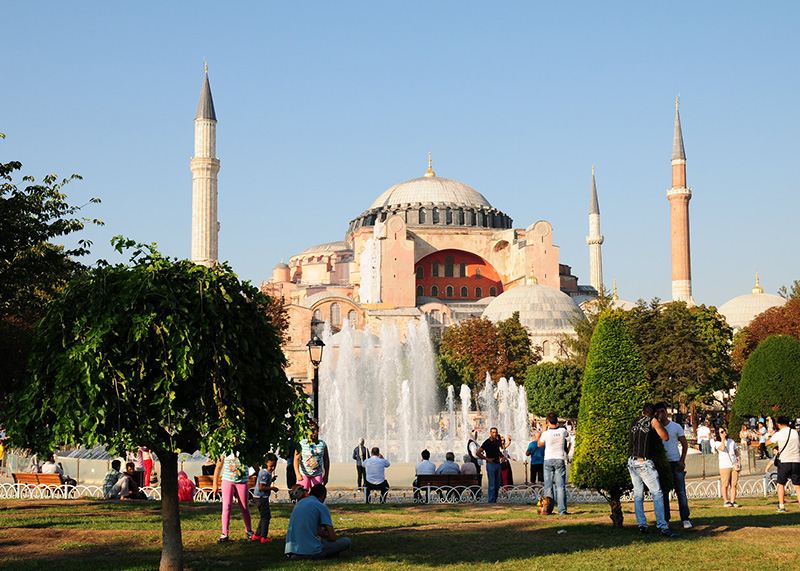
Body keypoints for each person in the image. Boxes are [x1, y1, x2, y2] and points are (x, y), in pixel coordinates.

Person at [628, 403, 677, 537]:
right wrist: (659, 422)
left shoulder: (634, 421)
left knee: (638, 495)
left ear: (642, 412)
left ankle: (642, 525)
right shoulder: (653, 421)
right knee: (657, 493)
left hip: (632, 461)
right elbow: (665, 436)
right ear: (655, 414)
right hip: (644, 461)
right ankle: (662, 526)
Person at [285, 484, 351, 559]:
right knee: (346, 541)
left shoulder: (299, 504)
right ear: (322, 496)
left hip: (292, 551)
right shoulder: (321, 506)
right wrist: (326, 536)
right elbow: (332, 537)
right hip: (311, 552)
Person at [655, 403, 692, 528]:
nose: (661, 414)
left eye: (662, 411)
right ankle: (666, 518)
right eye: (658, 412)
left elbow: (684, 444)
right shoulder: (656, 427)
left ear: (666, 412)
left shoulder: (675, 427)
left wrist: (682, 460)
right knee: (663, 492)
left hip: (675, 462)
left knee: (680, 491)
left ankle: (685, 518)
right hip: (663, 464)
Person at [212, 452, 254, 543]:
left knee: (244, 506)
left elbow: (254, 463)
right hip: (228, 481)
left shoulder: (245, 448)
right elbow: (218, 466)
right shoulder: (225, 450)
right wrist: (215, 483)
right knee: (226, 506)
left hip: (242, 481)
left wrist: (261, 475)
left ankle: (249, 530)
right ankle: (224, 533)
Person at [765, 416, 800, 513]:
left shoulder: (779, 434)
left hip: (784, 461)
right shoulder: (795, 432)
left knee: (781, 484)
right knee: (797, 485)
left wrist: (770, 435)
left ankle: (781, 505)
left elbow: (767, 443)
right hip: (796, 460)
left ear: (779, 424)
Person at [537, 413, 569, 515]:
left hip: (548, 459)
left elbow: (539, 444)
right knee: (560, 486)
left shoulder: (546, 434)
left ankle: (548, 509)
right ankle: (562, 510)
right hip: (559, 459)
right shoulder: (562, 431)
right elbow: (567, 434)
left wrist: (543, 431)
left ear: (547, 421)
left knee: (548, 486)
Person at [294, 423, 330, 492]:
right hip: (304, 475)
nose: (312, 433)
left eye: (314, 430)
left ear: (318, 431)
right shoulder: (301, 444)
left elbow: (326, 460)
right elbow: (296, 459)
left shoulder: (322, 444)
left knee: (317, 494)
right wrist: (297, 474)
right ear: (306, 432)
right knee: (302, 494)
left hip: (317, 474)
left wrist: (326, 475)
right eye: (310, 430)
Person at [252, 453, 279, 543]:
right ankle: (264, 537)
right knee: (266, 517)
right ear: (265, 463)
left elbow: (266, 481)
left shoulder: (266, 472)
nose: (272, 468)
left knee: (264, 516)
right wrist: (272, 488)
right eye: (271, 466)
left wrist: (272, 480)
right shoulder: (264, 473)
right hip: (260, 497)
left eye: (274, 466)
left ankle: (257, 535)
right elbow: (261, 487)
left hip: (260, 497)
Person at [713, 426, 741, 508]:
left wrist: (738, 461)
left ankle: (733, 500)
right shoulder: (717, 443)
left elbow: (736, 452)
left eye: (724, 431)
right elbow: (722, 448)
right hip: (725, 465)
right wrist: (722, 439)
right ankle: (726, 500)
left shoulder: (731, 441)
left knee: (734, 484)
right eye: (721, 432)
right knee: (725, 484)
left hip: (733, 464)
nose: (724, 433)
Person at [476, 427, 504, 503]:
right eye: (493, 432)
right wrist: (486, 459)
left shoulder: (497, 442)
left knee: (497, 484)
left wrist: (502, 456)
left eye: (496, 432)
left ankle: (494, 499)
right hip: (491, 464)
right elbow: (478, 452)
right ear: (490, 433)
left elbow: (497, 451)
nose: (495, 434)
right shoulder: (487, 442)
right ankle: (491, 501)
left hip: (497, 464)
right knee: (492, 484)